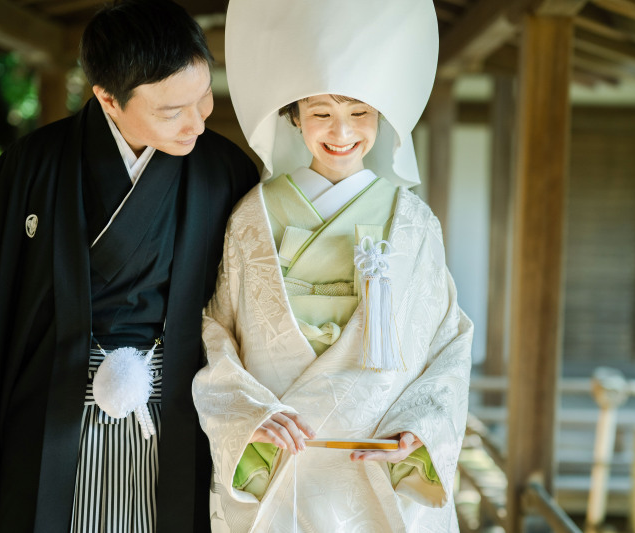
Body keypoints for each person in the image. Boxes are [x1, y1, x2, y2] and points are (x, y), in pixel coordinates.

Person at [0, 0, 258, 531]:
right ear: (107, 98)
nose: (196, 123)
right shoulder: (31, 168)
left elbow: (254, 308)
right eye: (171, 111)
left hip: (179, 411)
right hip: (50, 409)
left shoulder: (223, 171)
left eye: (203, 97)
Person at [192, 0, 473, 531]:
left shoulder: (412, 221)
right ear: (294, 117)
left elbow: (447, 341)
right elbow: (218, 330)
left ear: (381, 117)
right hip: (282, 457)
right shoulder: (254, 214)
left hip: (377, 458)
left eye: (360, 113)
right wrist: (250, 418)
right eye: (321, 113)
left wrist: (421, 430)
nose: (342, 131)